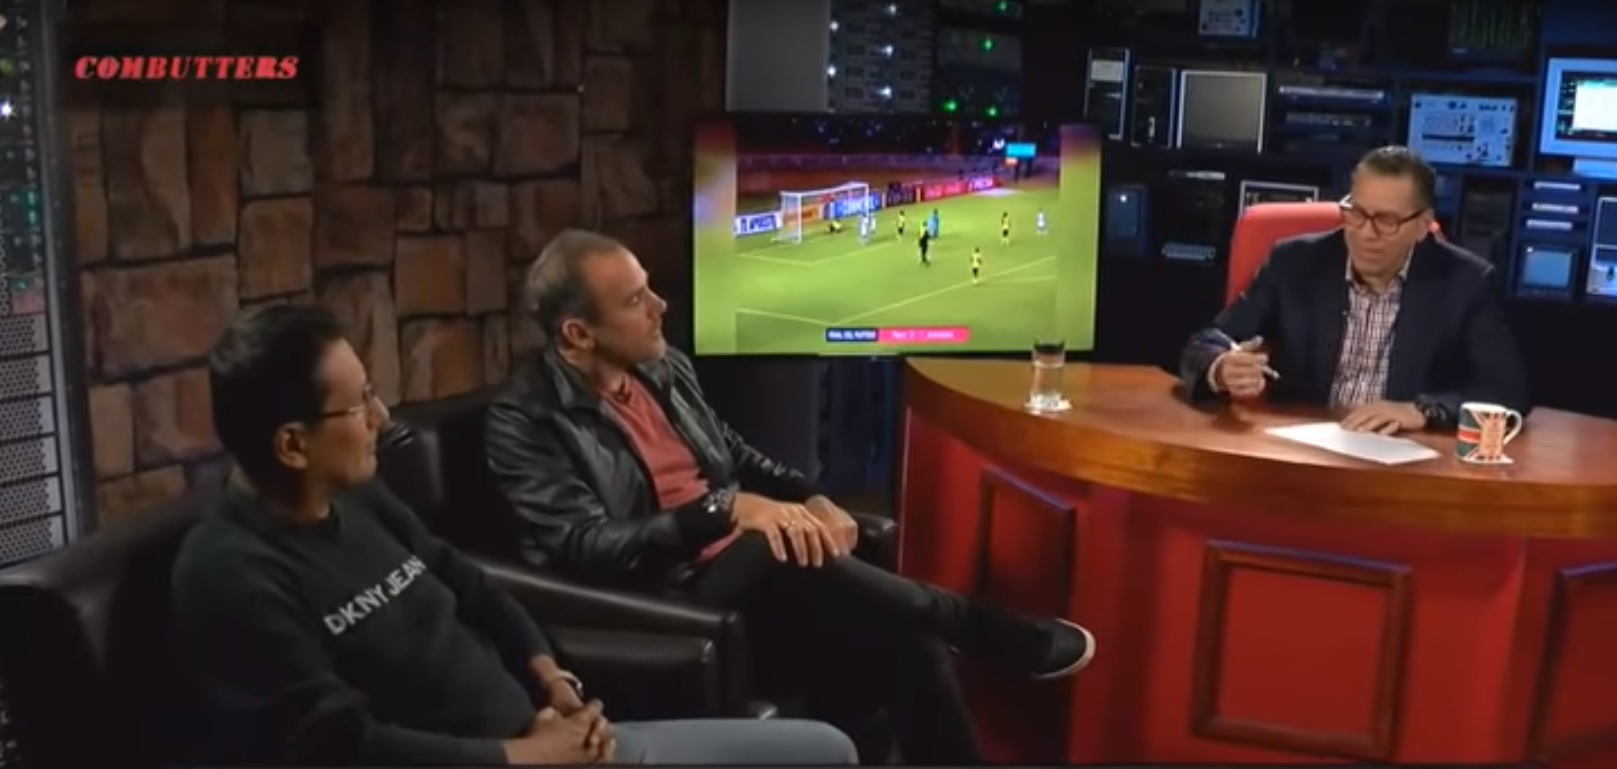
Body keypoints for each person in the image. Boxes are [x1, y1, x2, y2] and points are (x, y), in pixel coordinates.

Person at [484, 229, 1096, 765]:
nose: (660, 306)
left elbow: (738, 457)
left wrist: (814, 497)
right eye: (635, 300)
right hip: (669, 595)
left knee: (911, 642)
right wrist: (723, 511)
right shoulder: (524, 418)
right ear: (577, 333)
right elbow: (587, 545)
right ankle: (979, 626)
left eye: (649, 289)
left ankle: (952, 643)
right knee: (769, 543)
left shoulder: (662, 368)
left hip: (755, 579)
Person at [171, 305, 859, 768]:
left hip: (557, 740)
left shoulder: (359, 497)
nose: (382, 416)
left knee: (827, 750)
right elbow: (343, 746)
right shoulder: (229, 574)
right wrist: (527, 756)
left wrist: (549, 677)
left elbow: (469, 584)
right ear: (292, 445)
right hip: (523, 758)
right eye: (357, 405)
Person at [1177, 146, 1529, 433]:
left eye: (1387, 221)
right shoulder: (1294, 263)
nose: (1366, 233)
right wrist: (1221, 367)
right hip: (1303, 446)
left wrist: (1421, 410)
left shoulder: (1465, 282)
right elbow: (1209, 340)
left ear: (1423, 225)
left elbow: (1506, 392)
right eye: (1356, 213)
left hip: (1402, 455)